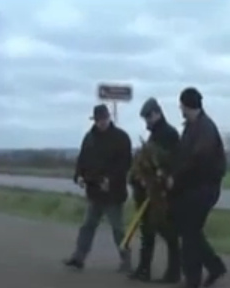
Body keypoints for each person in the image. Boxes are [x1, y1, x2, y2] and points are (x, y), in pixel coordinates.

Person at [168, 87, 227, 288]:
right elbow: (183, 157)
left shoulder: (205, 129)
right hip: (193, 188)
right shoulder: (194, 126)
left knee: (189, 233)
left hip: (203, 188)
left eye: (181, 106)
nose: (180, 110)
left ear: (186, 106)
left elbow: (196, 160)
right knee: (190, 231)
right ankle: (214, 266)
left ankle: (193, 280)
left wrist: (175, 178)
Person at [63, 104, 133, 272]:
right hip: (94, 192)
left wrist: (111, 180)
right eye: (98, 120)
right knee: (87, 225)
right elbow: (82, 160)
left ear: (109, 118)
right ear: (94, 120)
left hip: (113, 194)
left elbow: (125, 163)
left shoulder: (121, 138)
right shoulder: (89, 138)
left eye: (104, 119)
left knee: (118, 229)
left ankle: (126, 261)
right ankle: (78, 257)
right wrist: (78, 176)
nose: (101, 122)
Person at [128, 98, 181, 283]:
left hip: (161, 192)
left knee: (167, 232)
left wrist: (161, 176)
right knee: (148, 231)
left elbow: (172, 161)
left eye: (149, 116)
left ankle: (173, 272)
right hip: (149, 191)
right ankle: (144, 269)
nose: (148, 121)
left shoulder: (169, 134)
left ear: (158, 113)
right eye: (145, 118)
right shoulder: (155, 135)